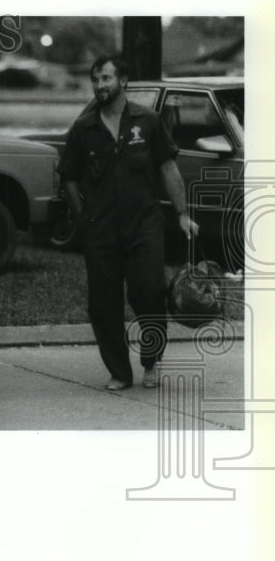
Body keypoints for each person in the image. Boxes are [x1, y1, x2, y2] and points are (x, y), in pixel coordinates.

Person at [60, 55, 198, 390]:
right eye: (95, 79)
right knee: (103, 304)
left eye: (106, 78)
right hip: (101, 230)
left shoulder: (147, 121)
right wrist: (83, 219)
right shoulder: (84, 128)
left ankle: (151, 361)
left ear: (123, 81)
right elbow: (70, 178)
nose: (100, 85)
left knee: (149, 292)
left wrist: (182, 213)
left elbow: (167, 167)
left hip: (144, 225)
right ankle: (119, 371)